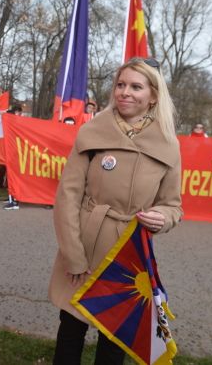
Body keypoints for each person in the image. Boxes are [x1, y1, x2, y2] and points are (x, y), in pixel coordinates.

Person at [48, 57, 182, 364]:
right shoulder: (93, 133)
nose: (125, 92)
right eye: (120, 85)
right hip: (85, 243)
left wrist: (163, 217)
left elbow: (173, 204)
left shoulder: (169, 145)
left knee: (115, 337)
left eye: (136, 86)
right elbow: (67, 196)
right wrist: (73, 255)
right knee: (71, 328)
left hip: (129, 255)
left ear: (153, 95)